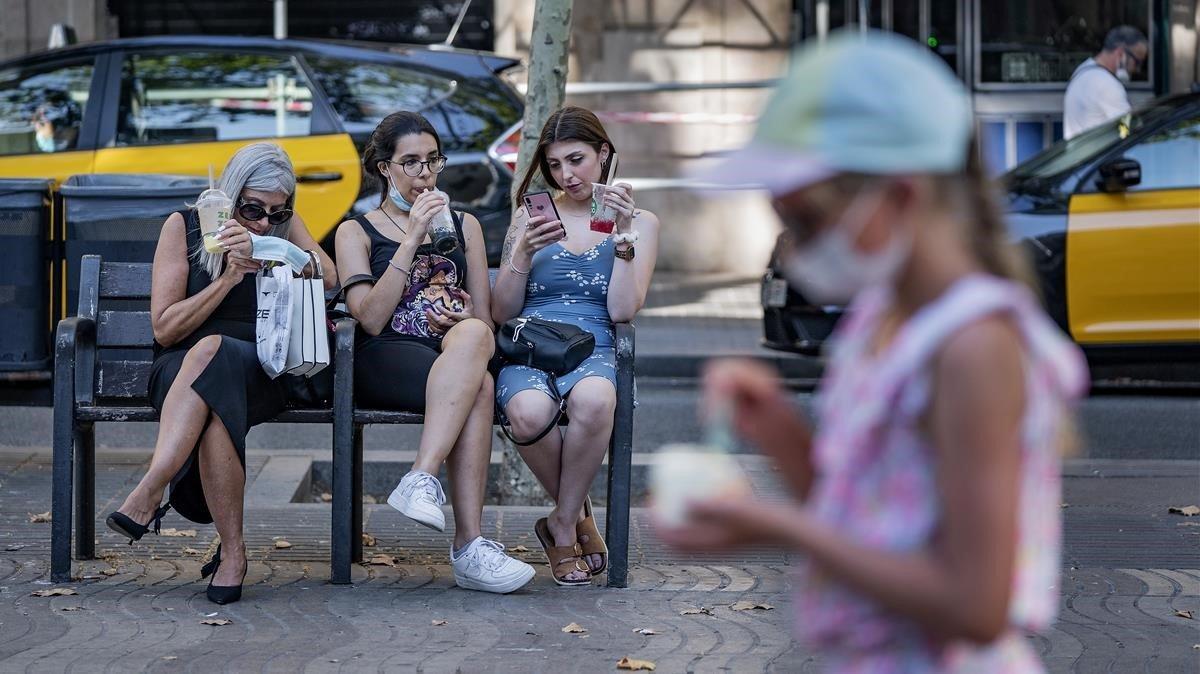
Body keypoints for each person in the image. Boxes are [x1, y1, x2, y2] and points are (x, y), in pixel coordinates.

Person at [660, 31, 1087, 672]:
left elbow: (978, 605)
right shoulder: (880, 318)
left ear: (901, 196)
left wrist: (779, 529)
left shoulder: (973, 345)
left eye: (805, 220)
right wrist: (777, 429)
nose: (793, 248)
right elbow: (861, 519)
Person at [105, 142, 338, 605]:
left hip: (262, 366)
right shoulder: (185, 226)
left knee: (218, 368)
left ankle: (151, 489)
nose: (262, 221)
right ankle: (234, 554)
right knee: (212, 371)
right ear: (230, 197)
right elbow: (165, 328)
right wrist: (229, 278)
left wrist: (281, 250)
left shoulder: (282, 228)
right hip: (179, 370)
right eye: (252, 209)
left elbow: (329, 277)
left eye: (277, 210)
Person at [335, 111, 535, 594]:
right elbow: (369, 317)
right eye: (411, 163)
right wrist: (410, 239)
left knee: (476, 350)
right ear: (385, 168)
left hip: (449, 352)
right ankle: (468, 547)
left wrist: (464, 313)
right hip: (384, 355)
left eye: (432, 161)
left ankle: (421, 478)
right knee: (480, 385)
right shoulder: (355, 231)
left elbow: (485, 322)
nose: (425, 174)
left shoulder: (462, 225)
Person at [491, 106, 659, 585]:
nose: (567, 175)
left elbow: (624, 310)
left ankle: (560, 526)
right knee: (527, 412)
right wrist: (521, 250)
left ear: (604, 154)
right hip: (531, 342)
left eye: (577, 159)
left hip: (596, 343)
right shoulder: (530, 215)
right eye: (556, 165)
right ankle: (578, 515)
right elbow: (503, 310)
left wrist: (624, 239)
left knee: (595, 398)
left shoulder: (641, 222)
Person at [1063, 26, 1148, 139]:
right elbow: (1126, 132)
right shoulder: (1106, 84)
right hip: (1098, 154)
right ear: (1121, 54)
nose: (1137, 69)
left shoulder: (1083, 69)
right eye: (1137, 62)